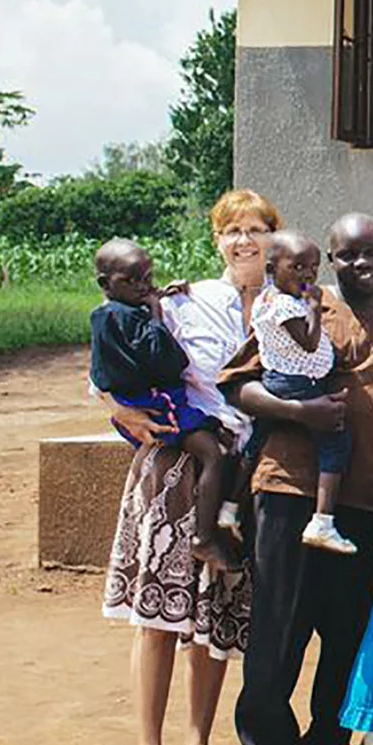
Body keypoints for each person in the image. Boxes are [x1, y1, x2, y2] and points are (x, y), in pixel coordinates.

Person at [227, 213, 373, 745]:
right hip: (292, 492)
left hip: (367, 503)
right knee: (280, 630)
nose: (361, 264)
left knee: (347, 638)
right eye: (347, 255)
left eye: (370, 252)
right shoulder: (298, 303)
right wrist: (300, 413)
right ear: (331, 262)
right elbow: (240, 386)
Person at [104, 189, 269, 745]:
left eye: (256, 229)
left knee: (216, 613)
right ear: (217, 240)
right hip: (177, 470)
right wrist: (117, 408)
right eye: (233, 230)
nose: (245, 241)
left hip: (244, 474)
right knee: (161, 613)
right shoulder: (181, 302)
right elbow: (109, 360)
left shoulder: (291, 303)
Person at [91, 237, 234, 570]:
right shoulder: (115, 317)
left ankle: (221, 516)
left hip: (162, 401)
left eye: (147, 277)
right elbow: (164, 360)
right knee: (214, 454)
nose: (142, 286)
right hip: (157, 407)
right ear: (105, 284)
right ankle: (204, 536)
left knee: (223, 441)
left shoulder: (124, 311)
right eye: (131, 280)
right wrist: (156, 310)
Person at [249, 231, 358, 554]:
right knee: (336, 442)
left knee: (252, 440)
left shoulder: (267, 299)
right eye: (297, 267)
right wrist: (314, 308)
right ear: (272, 269)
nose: (308, 275)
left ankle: (227, 506)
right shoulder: (289, 305)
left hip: (282, 382)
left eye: (312, 268)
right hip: (296, 388)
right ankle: (323, 521)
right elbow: (308, 343)